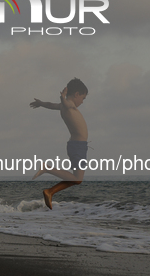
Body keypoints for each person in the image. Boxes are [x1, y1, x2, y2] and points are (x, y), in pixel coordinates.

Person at [29, 78, 89, 210]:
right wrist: (62, 97)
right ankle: (47, 168)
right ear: (76, 94)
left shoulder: (63, 105)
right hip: (78, 146)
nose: (82, 102)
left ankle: (50, 192)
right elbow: (67, 104)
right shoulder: (69, 104)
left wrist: (41, 103)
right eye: (83, 98)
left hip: (79, 146)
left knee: (76, 179)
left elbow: (51, 105)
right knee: (77, 179)